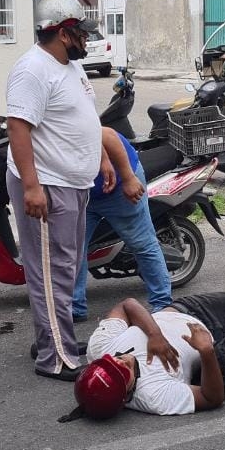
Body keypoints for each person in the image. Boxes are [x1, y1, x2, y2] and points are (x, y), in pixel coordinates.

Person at [6, 0, 111, 382]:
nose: (87, 40)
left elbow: (85, 117)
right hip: (48, 184)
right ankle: (56, 357)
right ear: (64, 33)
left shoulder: (70, 67)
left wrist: (99, 158)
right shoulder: (33, 69)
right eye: (81, 33)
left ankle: (52, 337)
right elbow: (18, 127)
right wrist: (32, 187)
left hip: (73, 182)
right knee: (52, 270)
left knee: (66, 268)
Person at [74, 292, 225, 419]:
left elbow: (127, 304)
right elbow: (212, 398)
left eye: (111, 361)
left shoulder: (99, 348)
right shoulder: (153, 396)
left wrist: (155, 334)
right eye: (122, 371)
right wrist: (207, 352)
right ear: (125, 396)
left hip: (189, 310)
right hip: (218, 350)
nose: (120, 361)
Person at [72, 127, 172, 322]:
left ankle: (163, 305)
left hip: (117, 185)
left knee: (141, 243)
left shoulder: (64, 121)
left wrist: (128, 178)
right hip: (83, 194)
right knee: (74, 249)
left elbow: (107, 135)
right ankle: (75, 306)